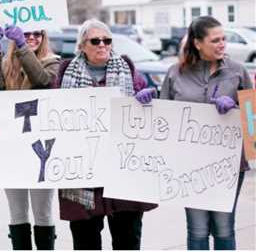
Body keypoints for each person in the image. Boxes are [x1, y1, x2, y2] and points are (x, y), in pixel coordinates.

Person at [52, 18, 157, 250]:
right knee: (85, 239)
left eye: (107, 40)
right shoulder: (65, 72)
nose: (102, 45)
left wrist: (147, 99)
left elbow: (148, 115)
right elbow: (50, 117)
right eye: (95, 40)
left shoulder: (128, 70)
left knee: (127, 238)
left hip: (122, 171)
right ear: (82, 46)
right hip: (81, 174)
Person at [158, 16, 253, 250]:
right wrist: (147, 102)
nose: (222, 44)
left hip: (228, 165)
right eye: (215, 40)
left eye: (224, 39)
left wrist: (236, 108)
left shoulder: (238, 71)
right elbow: (161, 121)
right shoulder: (175, 73)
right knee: (198, 229)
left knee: (223, 227)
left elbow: (253, 123)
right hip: (189, 164)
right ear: (198, 43)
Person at [0, 24, 61, 250]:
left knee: (43, 212)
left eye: (37, 33)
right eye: (26, 34)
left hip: (40, 150)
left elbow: (41, 80)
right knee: (17, 213)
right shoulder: (8, 64)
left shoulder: (52, 62)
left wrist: (21, 45)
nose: (32, 38)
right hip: (11, 148)